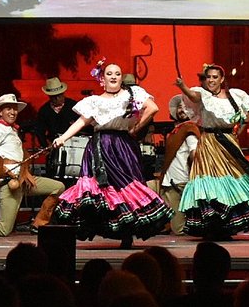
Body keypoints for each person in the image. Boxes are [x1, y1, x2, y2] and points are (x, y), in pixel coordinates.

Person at [49, 61, 172, 244]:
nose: (113, 76)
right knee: (102, 188)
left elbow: (153, 108)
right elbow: (81, 122)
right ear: (102, 79)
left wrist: (136, 127)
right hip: (100, 146)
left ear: (121, 78)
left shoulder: (132, 94)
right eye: (109, 73)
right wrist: (63, 138)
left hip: (123, 146)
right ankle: (114, 229)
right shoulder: (95, 101)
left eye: (117, 73)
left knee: (125, 184)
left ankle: (127, 234)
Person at [176, 64, 249, 238]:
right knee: (209, 182)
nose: (211, 80)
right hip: (209, 143)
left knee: (234, 180)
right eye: (208, 77)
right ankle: (212, 224)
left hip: (228, 142)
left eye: (215, 77)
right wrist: (183, 86)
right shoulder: (203, 95)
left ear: (222, 79)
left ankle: (229, 223)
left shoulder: (234, 95)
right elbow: (193, 96)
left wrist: (239, 129)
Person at [0, 94, 65, 236]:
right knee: (3, 230)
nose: (13, 112)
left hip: (23, 180)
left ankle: (39, 224)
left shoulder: (12, 130)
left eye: (14, 109)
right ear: (0, 112)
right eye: (8, 109)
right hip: (10, 183)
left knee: (58, 187)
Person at [152, 95, 199, 235]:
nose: (182, 110)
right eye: (180, 107)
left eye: (186, 107)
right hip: (169, 180)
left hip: (179, 181)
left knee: (179, 228)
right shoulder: (178, 130)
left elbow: (194, 152)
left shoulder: (189, 130)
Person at [33, 77, 80, 146]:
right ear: (49, 96)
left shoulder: (73, 106)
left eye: (59, 95)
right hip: (54, 144)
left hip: (74, 144)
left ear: (63, 93)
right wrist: (45, 145)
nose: (57, 99)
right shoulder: (44, 110)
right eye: (54, 96)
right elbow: (40, 131)